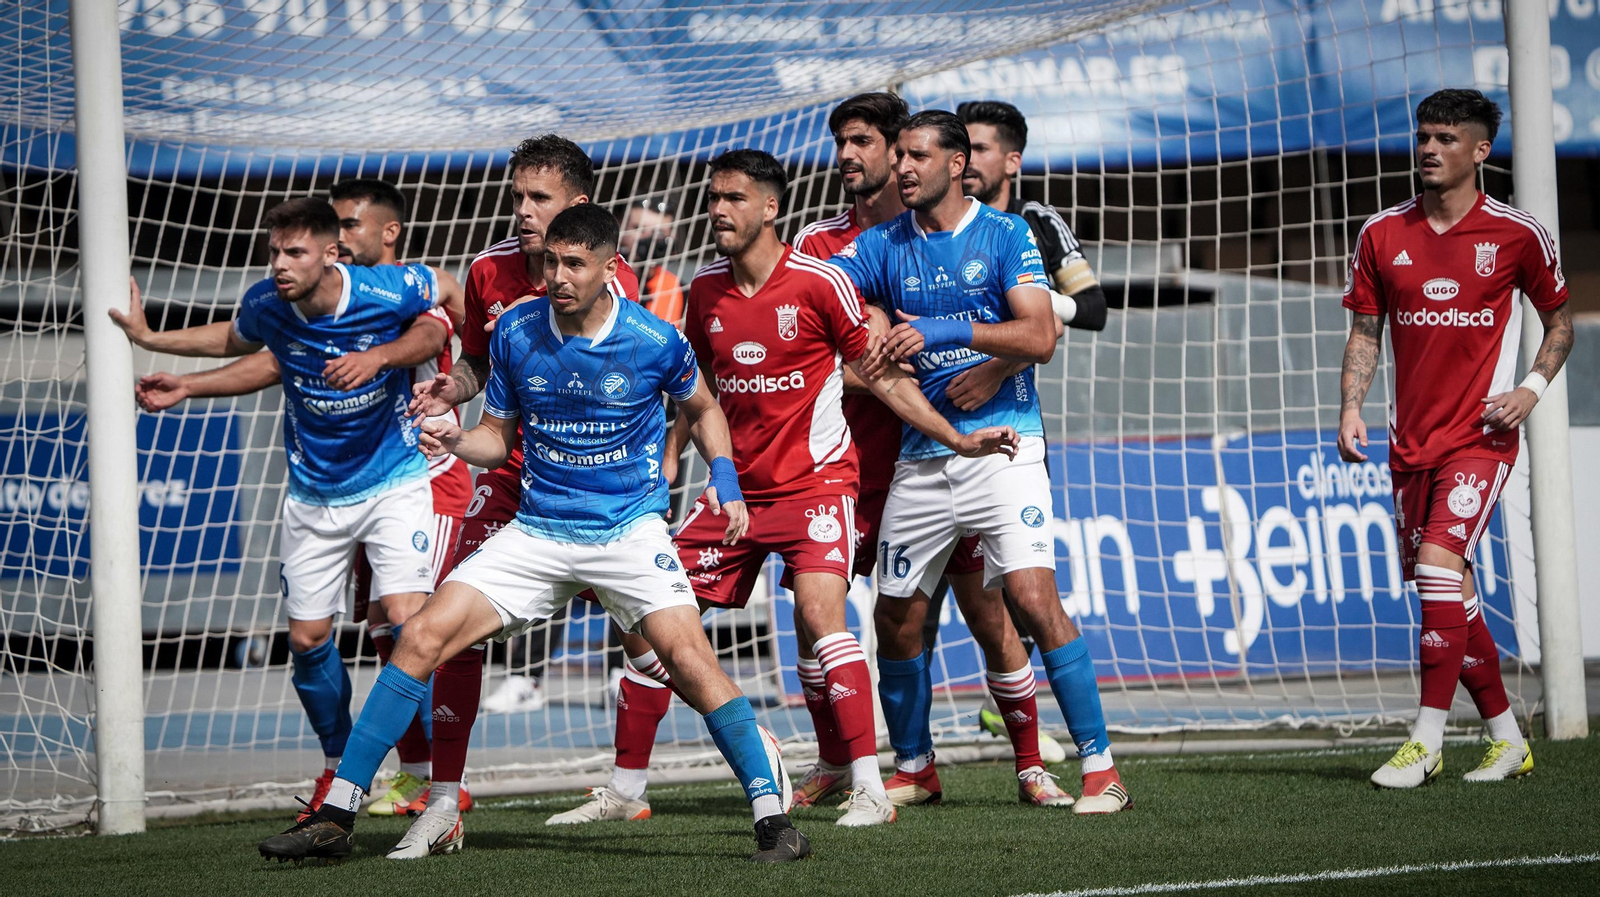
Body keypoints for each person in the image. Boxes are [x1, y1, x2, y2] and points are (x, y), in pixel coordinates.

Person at [256, 204, 812, 863]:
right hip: (540, 531)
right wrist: (457, 437)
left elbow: (704, 406)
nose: (557, 275)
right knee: (424, 635)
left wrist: (724, 473)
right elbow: (497, 436)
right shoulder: (517, 329)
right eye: (551, 260)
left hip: (627, 532)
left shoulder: (652, 339)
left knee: (689, 658)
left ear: (610, 268)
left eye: (574, 263)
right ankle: (338, 813)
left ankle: (775, 822)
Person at [547, 149, 1019, 829]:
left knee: (825, 620)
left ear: (770, 207)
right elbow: (694, 390)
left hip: (817, 485)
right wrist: (676, 454)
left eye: (733, 198)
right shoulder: (703, 289)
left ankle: (868, 786)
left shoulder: (820, 283)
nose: (717, 210)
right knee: (651, 624)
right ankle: (626, 789)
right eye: (713, 198)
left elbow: (881, 377)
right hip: (737, 497)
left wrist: (957, 437)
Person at [108, 196, 464, 820]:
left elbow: (443, 303)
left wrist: (406, 362)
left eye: (294, 251)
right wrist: (157, 347)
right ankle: (337, 767)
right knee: (307, 640)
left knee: (409, 624)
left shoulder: (384, 287)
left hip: (395, 483)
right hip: (313, 496)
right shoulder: (267, 303)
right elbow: (238, 339)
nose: (278, 263)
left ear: (330, 254)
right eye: (274, 250)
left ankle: (435, 779)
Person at [827, 110, 1131, 814]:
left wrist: (948, 330)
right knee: (897, 615)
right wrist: (857, 328)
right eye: (897, 154)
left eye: (917, 156)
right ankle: (915, 766)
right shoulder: (881, 246)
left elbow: (1041, 333)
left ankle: (1101, 768)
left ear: (957, 164)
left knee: (1029, 598)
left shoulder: (1005, 235)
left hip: (1006, 444)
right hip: (923, 453)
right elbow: (829, 296)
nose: (902, 167)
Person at [408, 137, 642, 845]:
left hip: (593, 492)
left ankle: (638, 783)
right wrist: (455, 386)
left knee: (654, 641)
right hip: (510, 478)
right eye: (516, 197)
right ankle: (443, 802)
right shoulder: (487, 271)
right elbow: (480, 360)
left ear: (579, 205)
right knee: (447, 629)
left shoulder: (615, 285)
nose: (522, 211)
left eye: (538, 198)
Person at [1338, 88, 1572, 788]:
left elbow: (1559, 321)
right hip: (1409, 440)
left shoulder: (1516, 234)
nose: (1429, 149)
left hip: (1482, 436)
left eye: (1445, 138)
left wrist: (1529, 389)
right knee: (1449, 591)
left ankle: (1426, 739)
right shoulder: (1383, 233)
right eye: (1423, 137)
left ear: (1479, 150)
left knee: (1439, 566)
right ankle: (1507, 738)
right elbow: (1364, 331)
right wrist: (1351, 407)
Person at [944, 99, 1110, 753]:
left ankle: (1048, 731)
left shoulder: (1035, 223)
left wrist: (1031, 314)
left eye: (980, 148)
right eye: (962, 148)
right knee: (921, 602)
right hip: (927, 436)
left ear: (1011, 158)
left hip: (1011, 427)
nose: (969, 161)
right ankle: (904, 755)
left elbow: (1094, 308)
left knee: (1024, 586)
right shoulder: (936, 223)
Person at [620, 197, 686, 325]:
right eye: (639, 229)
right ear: (623, 229)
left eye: (658, 233)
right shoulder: (604, 278)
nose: (647, 238)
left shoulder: (678, 289)